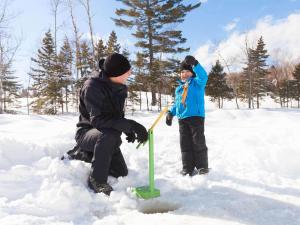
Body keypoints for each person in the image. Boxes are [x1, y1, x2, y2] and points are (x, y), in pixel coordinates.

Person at [63, 53, 148, 196]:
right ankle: (97, 180)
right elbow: (97, 121)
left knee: (120, 172)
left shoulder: (119, 86)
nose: (130, 73)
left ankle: (86, 155)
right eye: (127, 71)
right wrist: (130, 124)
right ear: (116, 73)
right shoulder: (93, 87)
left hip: (106, 137)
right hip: (87, 132)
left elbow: (116, 116)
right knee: (110, 134)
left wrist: (128, 130)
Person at [166, 55, 209, 176]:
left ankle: (202, 166)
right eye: (182, 72)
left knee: (198, 141)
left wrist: (195, 63)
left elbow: (204, 76)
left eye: (187, 71)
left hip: (196, 117)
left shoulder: (197, 83)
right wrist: (171, 113)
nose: (184, 74)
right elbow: (178, 103)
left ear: (192, 73)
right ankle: (187, 167)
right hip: (182, 119)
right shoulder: (179, 89)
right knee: (185, 144)